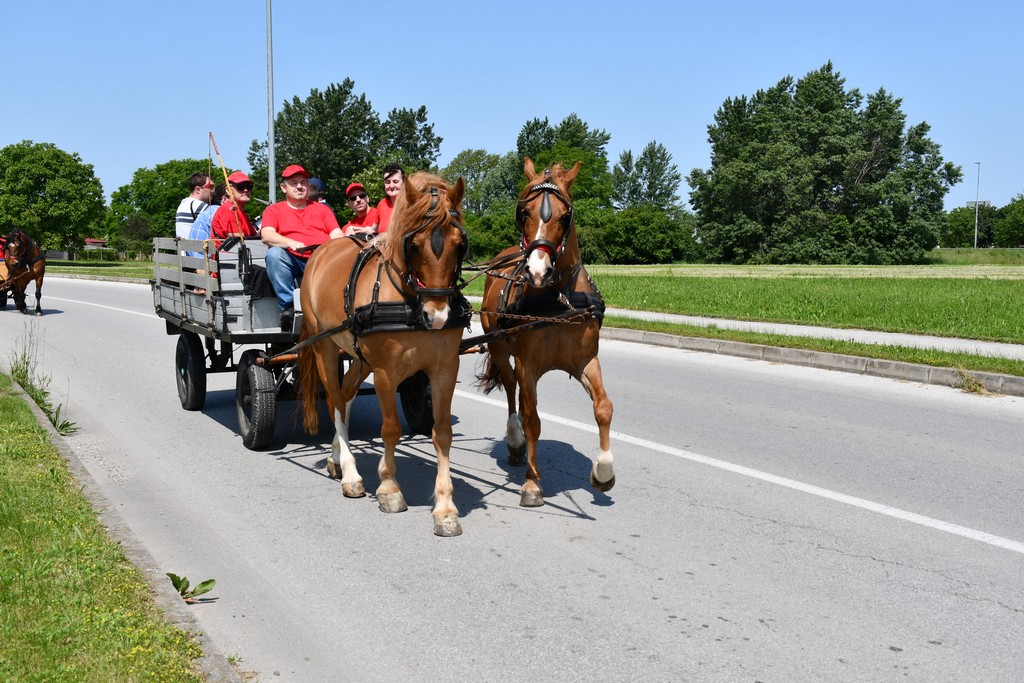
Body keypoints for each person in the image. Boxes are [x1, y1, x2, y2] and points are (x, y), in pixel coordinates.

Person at [260, 164, 343, 330]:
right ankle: (289, 307)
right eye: (294, 183)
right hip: (293, 261)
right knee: (274, 254)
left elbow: (337, 234)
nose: (299, 186)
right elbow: (267, 235)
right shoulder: (274, 210)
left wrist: (337, 247)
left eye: (303, 182)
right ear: (283, 187)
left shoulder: (323, 210)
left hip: (321, 260)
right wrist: (291, 243)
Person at [211, 172, 258, 241]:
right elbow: (238, 242)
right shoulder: (229, 210)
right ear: (228, 191)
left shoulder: (242, 213)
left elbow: (256, 237)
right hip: (228, 248)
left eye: (249, 186)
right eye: (240, 186)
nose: (245, 190)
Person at [175, 172, 214, 239]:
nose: (213, 191)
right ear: (198, 189)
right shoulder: (199, 205)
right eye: (211, 187)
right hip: (194, 245)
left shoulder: (184, 203)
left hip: (183, 244)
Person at [374, 164, 404, 234]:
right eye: (387, 182)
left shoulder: (412, 204)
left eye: (395, 181)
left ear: (403, 183)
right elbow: (374, 229)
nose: (391, 186)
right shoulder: (382, 204)